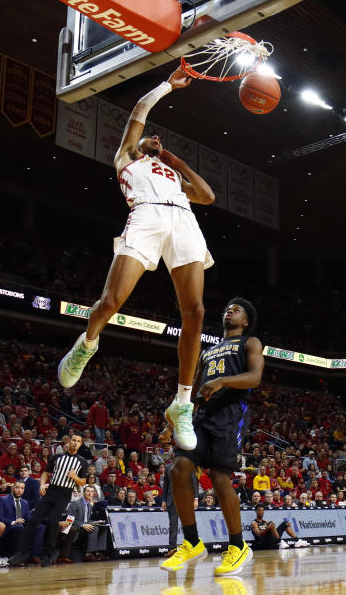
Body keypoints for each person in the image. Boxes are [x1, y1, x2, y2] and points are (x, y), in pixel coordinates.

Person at [55, 67, 216, 453]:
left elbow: (208, 196)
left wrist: (177, 162)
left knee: (195, 312)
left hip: (183, 220)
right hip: (145, 215)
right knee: (111, 301)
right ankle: (87, 344)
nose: (154, 138)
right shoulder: (127, 159)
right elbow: (140, 109)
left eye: (156, 139)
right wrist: (168, 86)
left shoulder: (172, 175)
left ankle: (181, 404)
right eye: (149, 137)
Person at [161, 298, 263, 578]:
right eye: (227, 307)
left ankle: (237, 546)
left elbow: (254, 377)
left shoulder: (250, 343)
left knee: (219, 478)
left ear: (245, 321)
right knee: (178, 469)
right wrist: (173, 424)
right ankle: (192, 542)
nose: (229, 310)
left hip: (231, 413)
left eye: (237, 309)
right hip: (202, 416)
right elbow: (192, 391)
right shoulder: (208, 351)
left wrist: (223, 381)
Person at [9, 434, 89, 566]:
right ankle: (21, 552)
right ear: (69, 442)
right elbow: (46, 472)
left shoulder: (82, 461)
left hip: (65, 494)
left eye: (78, 441)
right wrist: (41, 485)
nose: (75, 443)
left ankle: (49, 553)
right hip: (51, 490)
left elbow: (83, 482)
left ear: (81, 444)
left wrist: (75, 477)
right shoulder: (57, 457)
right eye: (73, 440)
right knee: (34, 520)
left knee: (53, 521)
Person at [0, 480, 42, 560]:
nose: (19, 490)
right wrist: (13, 522)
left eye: (22, 488)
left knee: (40, 527)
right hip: (8, 528)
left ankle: (34, 555)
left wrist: (36, 521)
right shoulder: (2, 499)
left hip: (21, 527)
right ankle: (16, 556)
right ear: (13, 488)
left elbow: (28, 518)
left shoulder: (25, 502)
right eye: (17, 487)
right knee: (19, 527)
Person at [57, 486, 108, 563]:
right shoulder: (75, 504)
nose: (89, 493)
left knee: (103, 527)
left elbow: (86, 520)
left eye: (91, 492)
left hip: (83, 528)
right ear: (83, 493)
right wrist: (82, 525)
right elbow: (69, 520)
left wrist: (97, 522)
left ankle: (98, 552)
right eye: (87, 491)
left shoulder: (89, 505)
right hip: (74, 528)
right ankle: (88, 554)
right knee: (94, 529)